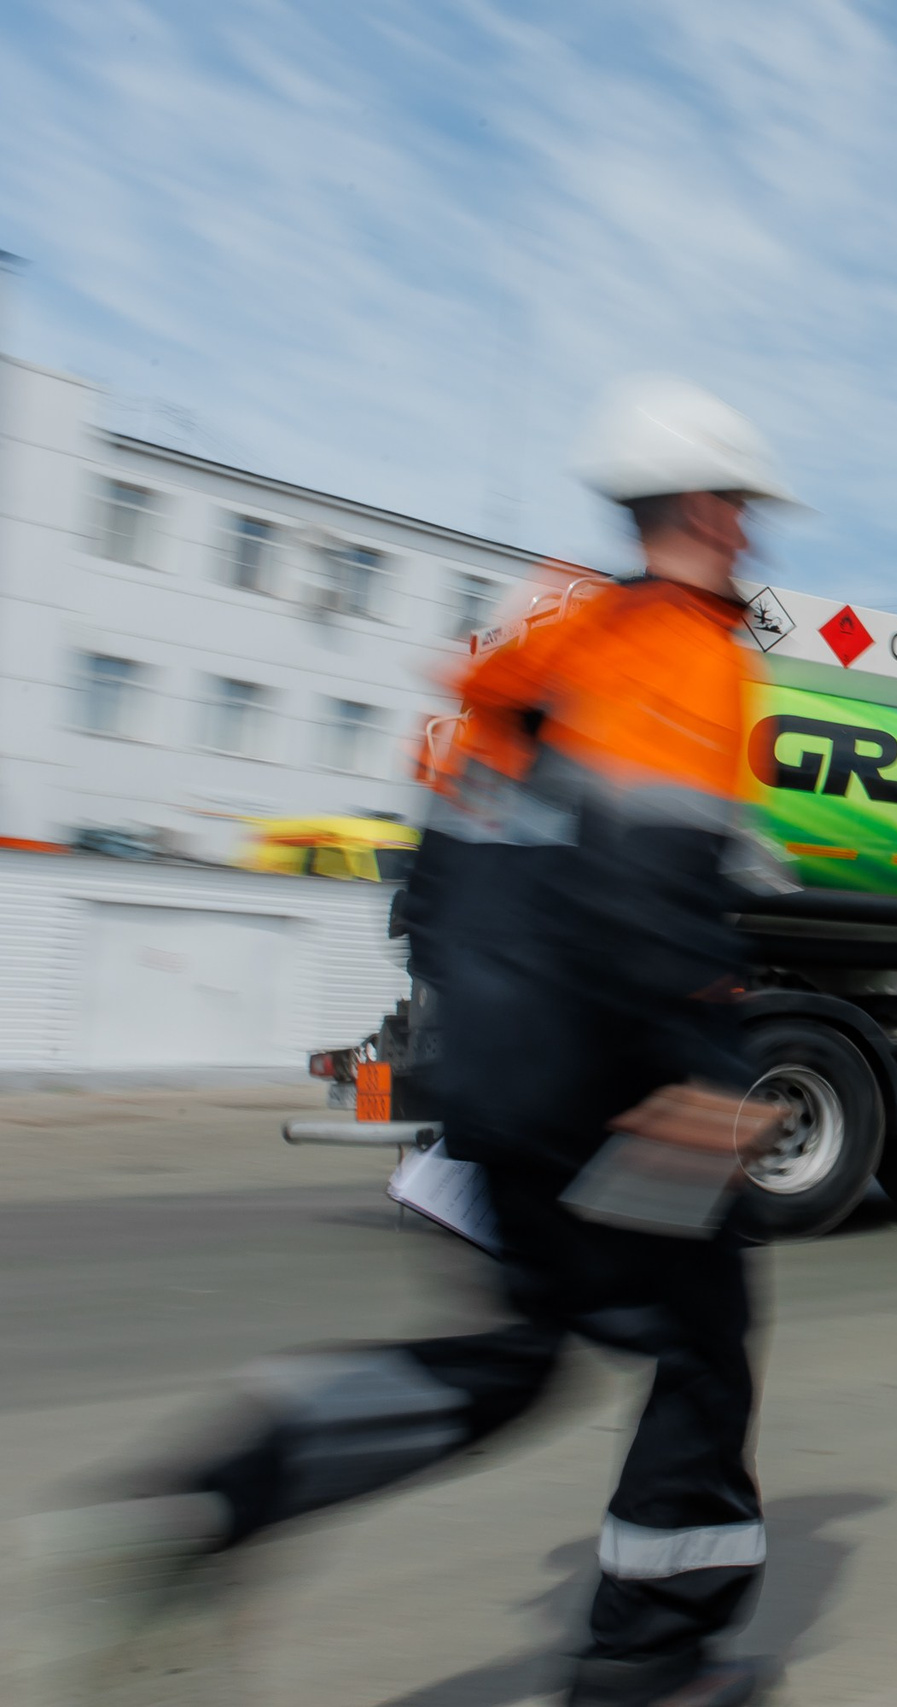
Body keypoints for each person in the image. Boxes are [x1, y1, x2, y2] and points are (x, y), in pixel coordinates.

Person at [31, 377, 801, 1707]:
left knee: (514, 1356)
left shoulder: (539, 651)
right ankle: (647, 1663)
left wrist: (478, 1039)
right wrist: (710, 1070)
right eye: (740, 505)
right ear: (700, 506)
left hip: (495, 1073)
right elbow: (651, 881)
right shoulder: (679, 649)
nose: (751, 531)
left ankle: (215, 1497)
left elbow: (433, 890)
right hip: (610, 1082)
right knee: (700, 1343)